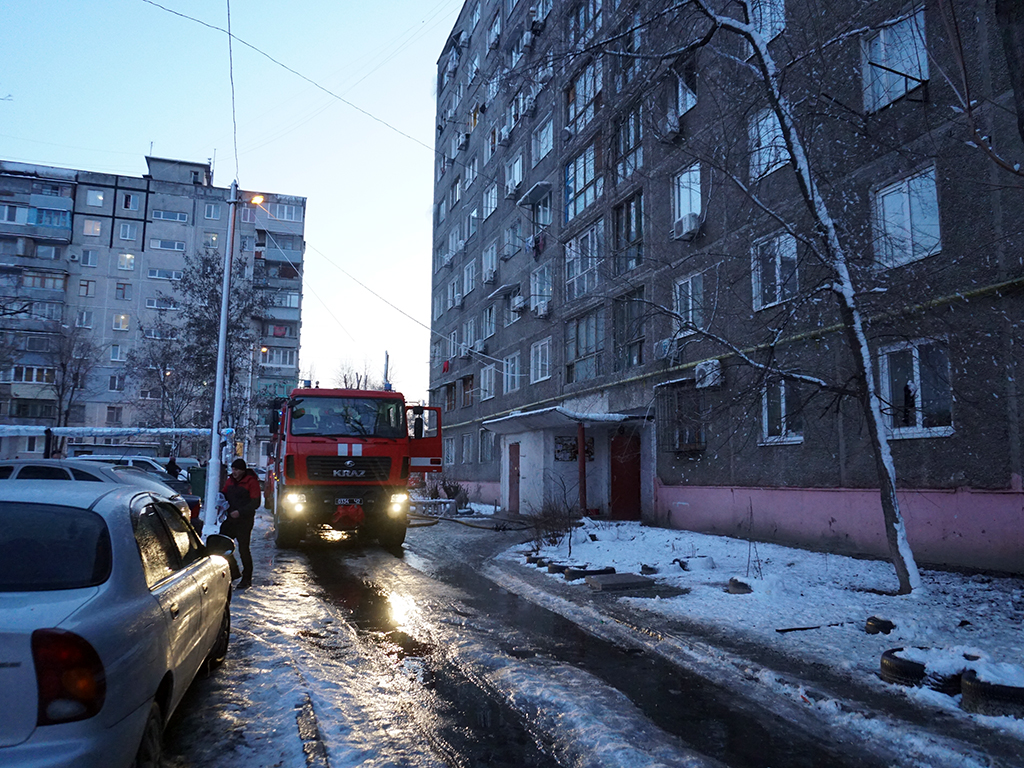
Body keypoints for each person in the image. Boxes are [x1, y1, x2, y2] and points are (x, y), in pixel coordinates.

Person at [220, 458, 261, 589]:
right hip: (231, 519)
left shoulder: (251, 482)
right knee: (222, 543)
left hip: (244, 520)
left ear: (243, 470)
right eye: (233, 469)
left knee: (244, 549)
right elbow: (225, 492)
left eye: (237, 469)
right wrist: (220, 498)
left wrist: (240, 512)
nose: (234, 472)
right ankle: (233, 570)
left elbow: (256, 503)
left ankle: (247, 578)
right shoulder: (230, 480)